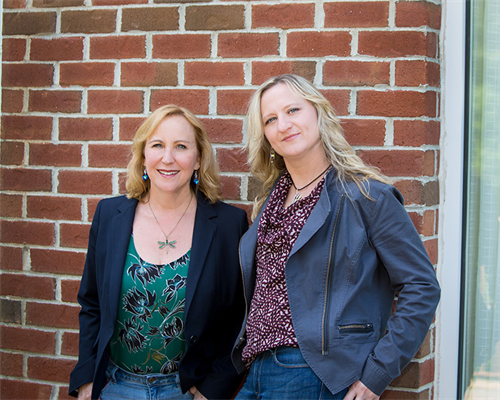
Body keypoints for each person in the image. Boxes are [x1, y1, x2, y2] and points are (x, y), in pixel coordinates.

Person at [231, 75, 441, 400]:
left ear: (318, 113)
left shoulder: (366, 197)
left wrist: (377, 373)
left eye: (293, 110)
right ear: (266, 137)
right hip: (255, 370)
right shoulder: (271, 203)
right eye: (270, 120)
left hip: (314, 372)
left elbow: (422, 287)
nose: (283, 125)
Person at [69, 105, 248, 400]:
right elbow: (91, 303)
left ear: (198, 159)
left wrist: (213, 389)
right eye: (157, 145)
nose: (167, 158)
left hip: (187, 391)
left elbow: (240, 319)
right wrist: (87, 379)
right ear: (143, 156)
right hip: (115, 386)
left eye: (181, 146)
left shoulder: (229, 225)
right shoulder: (110, 215)